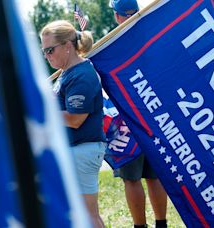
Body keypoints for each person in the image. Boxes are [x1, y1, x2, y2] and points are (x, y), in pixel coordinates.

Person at [41, 20, 106, 228]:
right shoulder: (68, 72)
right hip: (76, 149)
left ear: (68, 46)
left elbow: (76, 119)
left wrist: (44, 109)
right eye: (44, 52)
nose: (47, 56)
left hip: (82, 150)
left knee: (88, 216)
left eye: (50, 50)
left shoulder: (81, 75)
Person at [110, 0, 168, 227]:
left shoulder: (111, 45)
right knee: (154, 176)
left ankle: (139, 226)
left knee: (131, 178)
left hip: (126, 120)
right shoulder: (152, 37)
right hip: (154, 117)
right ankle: (161, 223)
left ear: (117, 16)